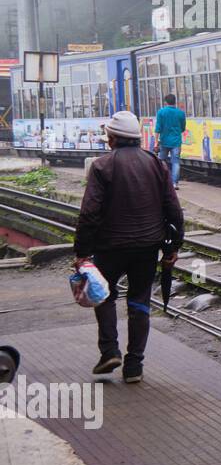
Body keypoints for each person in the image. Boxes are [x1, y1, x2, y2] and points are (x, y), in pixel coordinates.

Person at [75, 110, 184, 383]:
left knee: (105, 295)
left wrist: (82, 253)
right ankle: (134, 366)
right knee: (139, 302)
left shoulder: (101, 166)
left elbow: (89, 213)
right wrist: (173, 248)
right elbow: (174, 209)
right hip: (147, 247)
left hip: (109, 247)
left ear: (112, 139)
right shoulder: (156, 164)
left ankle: (110, 351)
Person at [155, 93, 186, 188]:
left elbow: (158, 128)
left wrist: (156, 142)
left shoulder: (161, 112)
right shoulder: (181, 113)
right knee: (176, 162)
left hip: (164, 141)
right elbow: (183, 128)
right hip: (176, 142)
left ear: (166, 102)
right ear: (175, 102)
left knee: (161, 161)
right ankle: (174, 183)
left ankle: (162, 180)